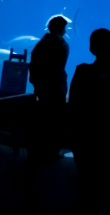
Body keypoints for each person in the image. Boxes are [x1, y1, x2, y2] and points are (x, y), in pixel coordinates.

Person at [69, 28, 110, 213]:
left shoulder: (81, 72)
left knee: (87, 186)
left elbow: (74, 107)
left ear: (91, 49)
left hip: (87, 139)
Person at [30, 16, 70, 160]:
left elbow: (33, 61)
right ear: (60, 29)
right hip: (56, 88)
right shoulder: (62, 45)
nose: (65, 31)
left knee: (44, 118)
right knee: (56, 120)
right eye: (64, 28)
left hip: (41, 87)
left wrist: (35, 82)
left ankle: (42, 149)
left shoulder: (40, 44)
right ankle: (53, 151)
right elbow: (59, 68)